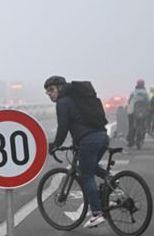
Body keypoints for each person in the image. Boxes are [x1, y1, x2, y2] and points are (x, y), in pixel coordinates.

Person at [44, 76, 110, 228]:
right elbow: (80, 122)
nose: (50, 94)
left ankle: (97, 213)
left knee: (86, 175)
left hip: (89, 141)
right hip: (102, 137)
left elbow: (63, 127)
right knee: (89, 167)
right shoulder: (79, 97)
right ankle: (111, 179)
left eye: (52, 90)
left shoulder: (63, 102)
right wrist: (76, 143)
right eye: (47, 92)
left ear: (60, 88)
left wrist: (55, 145)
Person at [126, 79, 150, 148]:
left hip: (132, 111)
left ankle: (130, 141)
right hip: (143, 112)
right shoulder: (145, 93)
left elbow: (129, 101)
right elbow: (148, 102)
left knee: (131, 126)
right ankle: (141, 138)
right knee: (143, 125)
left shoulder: (133, 92)